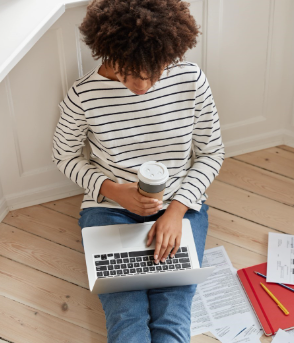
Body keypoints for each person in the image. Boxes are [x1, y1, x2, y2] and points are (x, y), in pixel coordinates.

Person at [51, 0, 224, 341]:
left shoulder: (191, 80)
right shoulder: (83, 95)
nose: (142, 85)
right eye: (129, 72)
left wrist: (176, 211)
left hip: (181, 208)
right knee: (125, 314)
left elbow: (212, 152)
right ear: (106, 52)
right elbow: (64, 156)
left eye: (154, 72)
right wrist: (116, 191)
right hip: (109, 210)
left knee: (173, 311)